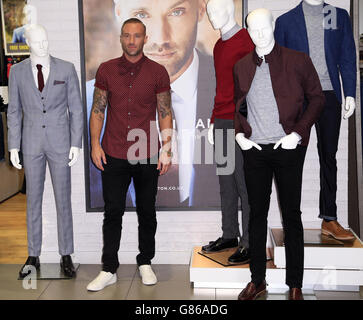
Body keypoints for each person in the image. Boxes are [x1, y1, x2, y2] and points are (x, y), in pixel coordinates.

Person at [86, 0, 219, 209]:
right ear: (118, 13)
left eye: (177, 12)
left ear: (201, 8)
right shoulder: (90, 97)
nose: (160, 38)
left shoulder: (226, 87)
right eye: (141, 14)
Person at [234, 9, 325, 300]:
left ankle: (294, 284)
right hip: (255, 151)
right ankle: (257, 280)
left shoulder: (298, 61)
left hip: (287, 148)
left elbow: (317, 98)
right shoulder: (241, 66)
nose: (259, 34)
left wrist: (297, 134)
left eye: (264, 27)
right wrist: (239, 135)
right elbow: (236, 105)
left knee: (292, 216)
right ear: (247, 31)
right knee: (256, 216)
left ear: (273, 25)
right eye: (253, 29)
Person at [87, 18, 173, 291]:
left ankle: (145, 262)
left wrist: (167, 148)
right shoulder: (106, 70)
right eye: (127, 35)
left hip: (147, 152)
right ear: (121, 38)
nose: (132, 40)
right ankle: (109, 268)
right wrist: (94, 144)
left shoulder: (158, 72)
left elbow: (165, 112)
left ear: (145, 38)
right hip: (113, 151)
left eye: (137, 36)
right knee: (113, 212)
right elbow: (98, 109)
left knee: (147, 211)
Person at [274, 0, 356, 241]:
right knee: (292, 159)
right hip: (299, 98)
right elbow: (278, 68)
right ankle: (291, 221)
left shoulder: (337, 16)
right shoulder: (286, 21)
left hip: (329, 95)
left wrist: (349, 92)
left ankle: (329, 218)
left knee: (329, 157)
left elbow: (347, 56)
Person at [7, 24, 83, 279]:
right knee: (33, 201)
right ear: (27, 43)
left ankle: (66, 254)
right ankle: (33, 255)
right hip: (31, 143)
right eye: (37, 41)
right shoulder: (16, 72)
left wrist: (75, 143)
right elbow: (14, 111)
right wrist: (14, 146)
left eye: (45, 40)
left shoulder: (66, 68)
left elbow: (77, 109)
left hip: (61, 142)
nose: (43, 45)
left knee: (63, 200)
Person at [201, 0, 254, 264]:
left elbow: (252, 87)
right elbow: (221, 88)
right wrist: (213, 120)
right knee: (226, 182)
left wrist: (244, 124)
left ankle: (249, 242)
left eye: (217, 11)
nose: (212, 17)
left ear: (231, 11)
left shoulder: (247, 40)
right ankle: (230, 234)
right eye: (209, 12)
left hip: (240, 122)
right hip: (221, 121)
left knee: (245, 184)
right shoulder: (219, 45)